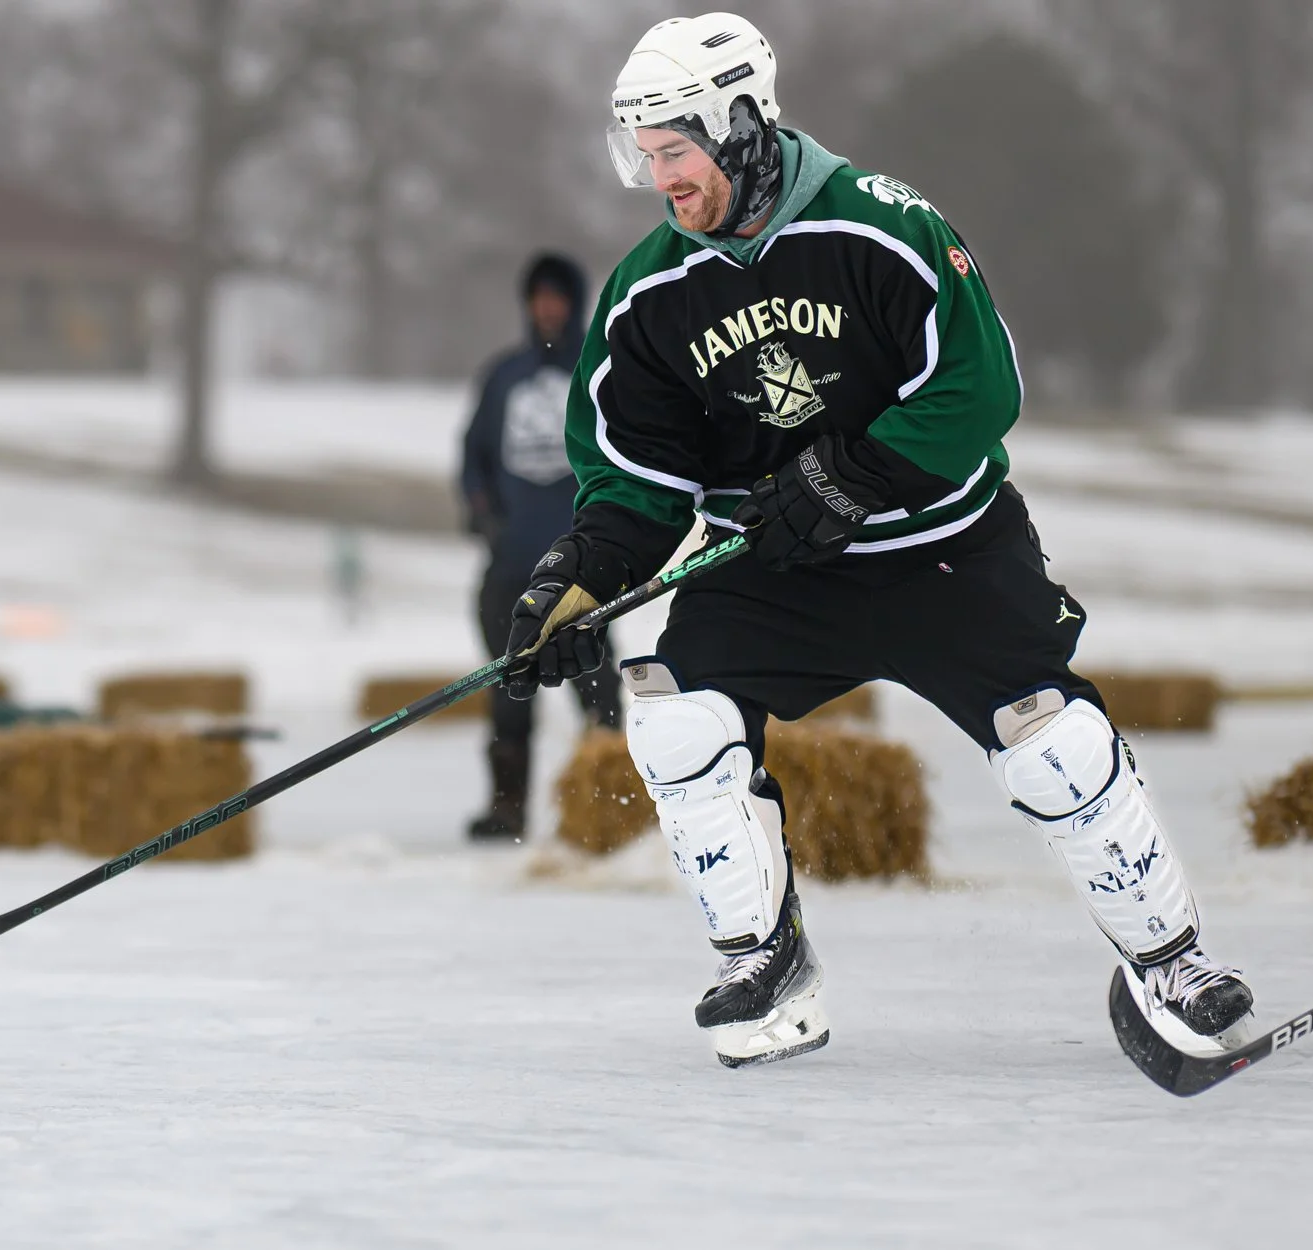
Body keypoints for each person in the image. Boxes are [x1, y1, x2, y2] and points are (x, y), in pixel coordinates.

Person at [503, 12, 1255, 1067]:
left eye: (674, 152)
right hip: (773, 570)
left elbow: (978, 390)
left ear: (740, 124)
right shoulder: (647, 295)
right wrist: (580, 574)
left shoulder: (884, 227)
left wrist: (849, 476)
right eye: (643, 156)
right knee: (674, 718)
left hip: (944, 550)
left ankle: (1169, 959)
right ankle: (763, 960)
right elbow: (636, 478)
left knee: (1056, 742)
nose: (660, 180)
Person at [460, 253, 624, 842]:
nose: (547, 308)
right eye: (539, 297)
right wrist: (485, 517)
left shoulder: (601, 370)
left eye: (558, 297)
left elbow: (625, 456)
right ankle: (508, 808)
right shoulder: (504, 377)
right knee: (509, 688)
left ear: (575, 303)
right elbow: (474, 458)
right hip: (511, 564)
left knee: (599, 692)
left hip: (582, 565)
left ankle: (613, 808)